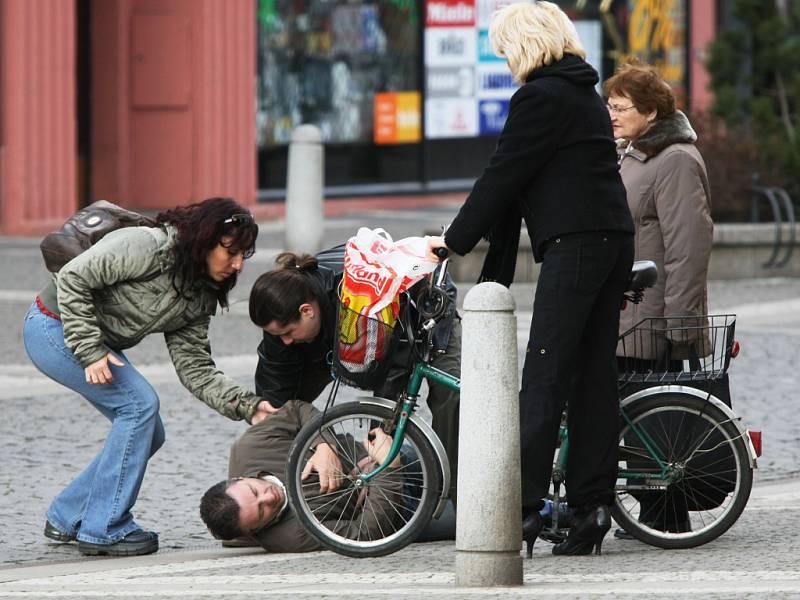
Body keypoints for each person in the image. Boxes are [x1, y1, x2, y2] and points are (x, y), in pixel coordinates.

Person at [426, 2, 634, 557]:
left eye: (503, 47)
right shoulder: (580, 92)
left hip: (579, 245)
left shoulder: (540, 96)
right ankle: (591, 509)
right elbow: (523, 173)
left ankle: (520, 509)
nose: (502, 58)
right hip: (610, 239)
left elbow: (504, 172)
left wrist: (453, 240)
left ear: (524, 43)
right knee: (592, 378)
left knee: (543, 377)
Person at [23, 197, 269, 557]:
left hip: (90, 339)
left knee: (149, 431)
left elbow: (195, 368)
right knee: (139, 405)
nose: (235, 266)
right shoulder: (148, 246)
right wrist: (90, 351)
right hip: (52, 326)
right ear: (205, 239)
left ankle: (67, 514)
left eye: (242, 257)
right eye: (230, 252)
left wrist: (250, 406)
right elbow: (73, 276)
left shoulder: (199, 292)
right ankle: (104, 526)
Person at [247, 246, 461, 504]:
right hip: (334, 333)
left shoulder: (356, 304)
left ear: (306, 311)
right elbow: (276, 399)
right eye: (277, 334)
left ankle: (452, 494)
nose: (285, 341)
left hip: (424, 309)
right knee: (280, 412)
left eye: (288, 332)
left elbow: (393, 371)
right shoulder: (282, 314)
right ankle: (304, 483)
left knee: (449, 399)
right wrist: (320, 442)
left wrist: (378, 446)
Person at [605, 62, 715, 538]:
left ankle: (666, 514)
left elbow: (689, 245)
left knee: (659, 421)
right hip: (629, 309)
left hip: (653, 314)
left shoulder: (675, 160)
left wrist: (681, 323)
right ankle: (652, 513)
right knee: (638, 413)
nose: (611, 114)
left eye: (621, 107)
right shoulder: (637, 154)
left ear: (650, 111)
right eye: (609, 106)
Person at [200, 399, 407, 551]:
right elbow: (366, 533)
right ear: (253, 532)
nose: (269, 498)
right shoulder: (291, 537)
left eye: (255, 491)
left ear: (239, 478)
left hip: (375, 451)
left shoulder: (250, 447)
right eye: (262, 512)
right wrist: (389, 467)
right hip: (403, 507)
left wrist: (324, 444)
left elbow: (297, 410)